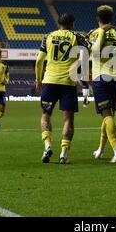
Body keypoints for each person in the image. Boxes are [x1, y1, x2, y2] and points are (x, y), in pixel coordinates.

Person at [35, 13, 89, 164]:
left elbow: (39, 60)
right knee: (68, 119)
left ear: (58, 24)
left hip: (50, 81)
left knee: (46, 114)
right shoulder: (77, 37)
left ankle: (47, 145)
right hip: (68, 83)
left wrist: (38, 80)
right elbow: (85, 55)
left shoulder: (48, 37)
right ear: (72, 24)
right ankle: (64, 154)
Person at [88, 5, 116, 163]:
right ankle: (101, 149)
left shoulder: (93, 33)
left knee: (106, 116)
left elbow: (93, 52)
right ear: (111, 18)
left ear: (97, 19)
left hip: (100, 78)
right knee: (108, 117)